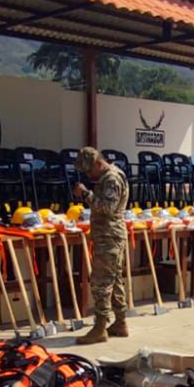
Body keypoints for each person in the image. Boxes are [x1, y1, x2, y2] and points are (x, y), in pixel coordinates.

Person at [73, 146, 129, 344]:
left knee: (101, 283)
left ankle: (100, 328)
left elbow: (107, 208)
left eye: (90, 170)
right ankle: (120, 322)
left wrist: (86, 194)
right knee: (114, 280)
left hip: (109, 237)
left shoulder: (111, 179)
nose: (89, 174)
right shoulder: (107, 177)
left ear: (98, 163)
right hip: (109, 235)